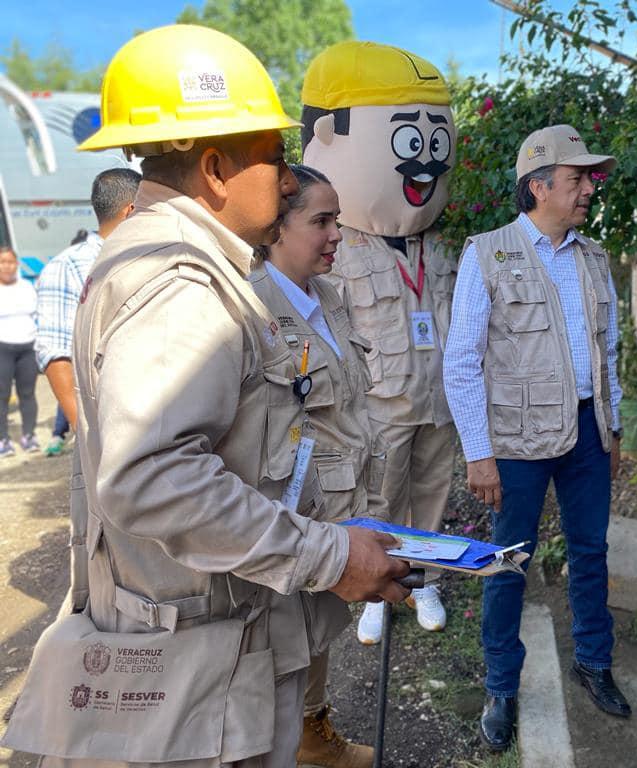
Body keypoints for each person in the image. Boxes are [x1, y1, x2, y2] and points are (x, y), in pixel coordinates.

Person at [1, 24, 410, 768]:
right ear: (216, 168)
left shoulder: (164, 266)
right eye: (276, 158)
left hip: (206, 654)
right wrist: (324, 555)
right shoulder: (180, 285)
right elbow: (149, 474)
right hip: (200, 685)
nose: (289, 180)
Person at [443, 124, 628, 752]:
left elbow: (610, 350)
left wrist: (614, 423)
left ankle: (594, 663)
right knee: (508, 562)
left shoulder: (593, 257)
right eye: (577, 179)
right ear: (538, 186)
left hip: (587, 434)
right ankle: (501, 683)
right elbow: (462, 359)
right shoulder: (488, 254)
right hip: (516, 444)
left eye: (587, 179)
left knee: (591, 551)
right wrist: (478, 452)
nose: (588, 190)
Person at [302, 41, 459, 644]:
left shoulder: (439, 247)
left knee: (433, 494)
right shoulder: (338, 249)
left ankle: (427, 580)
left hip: (437, 399)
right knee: (380, 496)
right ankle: (376, 591)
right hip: (379, 406)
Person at [249, 163, 383, 768]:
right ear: (277, 227)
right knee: (277, 652)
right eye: (320, 221)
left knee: (316, 636)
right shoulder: (250, 309)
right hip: (286, 516)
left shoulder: (329, 296)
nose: (336, 235)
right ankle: (285, 742)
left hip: (338, 504)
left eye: (337, 220)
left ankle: (311, 737)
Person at [35, 168, 141, 456]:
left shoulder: (149, 258)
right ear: (132, 211)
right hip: (106, 432)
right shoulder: (69, 267)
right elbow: (55, 355)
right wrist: (87, 436)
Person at [0, 246, 39, 456]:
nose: (7, 266)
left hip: (27, 348)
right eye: (2, 262)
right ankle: (3, 440)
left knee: (27, 394)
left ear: (16, 264)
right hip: (2, 348)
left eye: (10, 262)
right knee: (2, 396)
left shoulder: (26, 286)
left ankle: (29, 436)